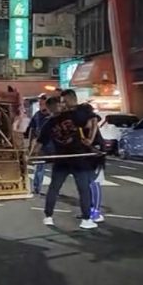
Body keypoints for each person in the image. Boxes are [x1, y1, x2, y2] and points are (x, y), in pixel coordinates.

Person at [37, 89, 98, 230]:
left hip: (66, 159)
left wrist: (31, 154)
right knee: (83, 189)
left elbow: (39, 142)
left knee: (54, 188)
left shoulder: (51, 122)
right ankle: (86, 219)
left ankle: (48, 216)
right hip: (76, 158)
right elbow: (93, 120)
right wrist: (90, 139)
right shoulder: (72, 115)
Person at [26, 94, 55, 196]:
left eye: (43, 103)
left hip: (52, 145)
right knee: (39, 166)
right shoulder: (37, 115)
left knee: (55, 168)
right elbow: (32, 130)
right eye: (40, 103)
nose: (41, 105)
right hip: (41, 144)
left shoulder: (53, 116)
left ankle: (54, 188)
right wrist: (30, 145)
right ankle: (37, 187)